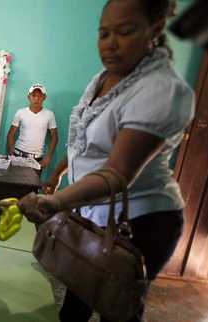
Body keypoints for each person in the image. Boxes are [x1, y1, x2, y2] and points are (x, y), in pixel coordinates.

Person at [17, 1, 194, 321]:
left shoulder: (162, 90)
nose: (110, 43)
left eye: (125, 32)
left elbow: (116, 173)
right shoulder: (104, 78)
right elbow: (83, 145)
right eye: (104, 33)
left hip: (140, 222)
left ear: (154, 29)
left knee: (117, 309)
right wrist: (58, 172)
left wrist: (54, 202)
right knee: (77, 298)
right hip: (92, 209)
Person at [6, 83, 58, 173]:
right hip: (18, 155)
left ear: (44, 97)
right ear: (28, 97)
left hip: (36, 159)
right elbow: (11, 133)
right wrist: (11, 151)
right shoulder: (20, 112)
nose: (36, 99)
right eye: (33, 95)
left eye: (40, 96)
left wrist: (48, 157)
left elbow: (55, 137)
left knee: (32, 186)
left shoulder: (49, 114)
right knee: (13, 184)